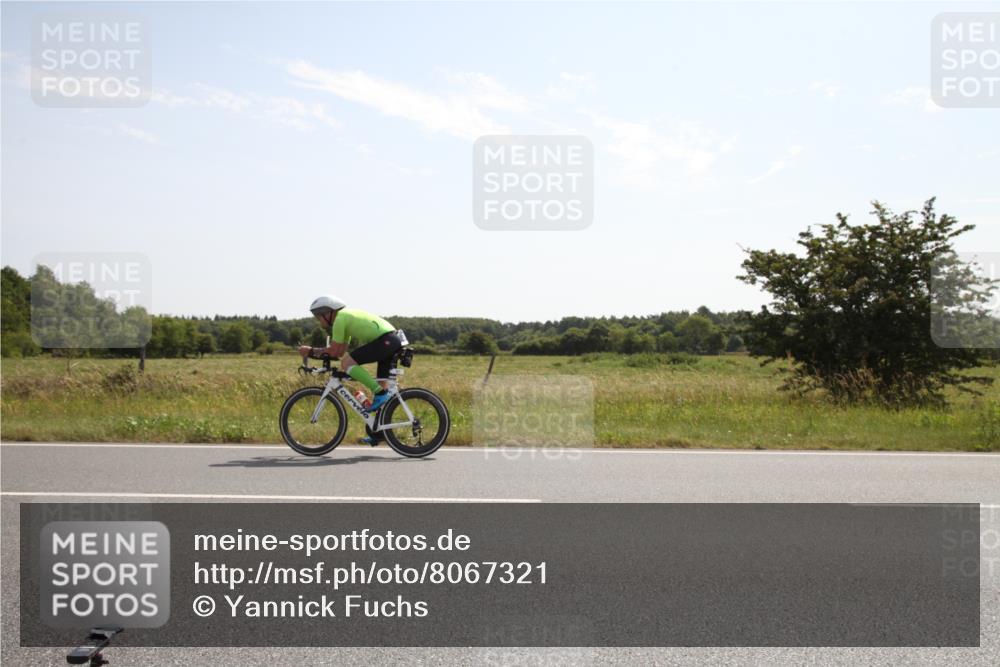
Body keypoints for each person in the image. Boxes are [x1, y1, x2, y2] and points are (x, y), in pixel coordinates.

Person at [299, 295, 404, 445]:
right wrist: (320, 353)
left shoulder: (340, 319)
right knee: (380, 390)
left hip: (386, 340)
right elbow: (340, 351)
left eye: (318, 316)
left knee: (347, 364)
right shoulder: (344, 319)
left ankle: (379, 393)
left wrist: (310, 351)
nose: (318, 320)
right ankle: (378, 433)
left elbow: (335, 352)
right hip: (390, 340)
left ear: (328, 312)